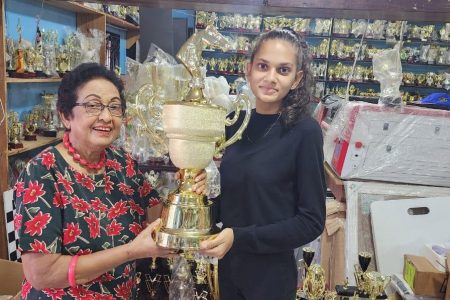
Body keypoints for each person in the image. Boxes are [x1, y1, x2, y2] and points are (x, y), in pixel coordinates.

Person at [13, 62, 206, 299]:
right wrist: (130, 252)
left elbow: (159, 220)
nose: (106, 116)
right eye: (93, 105)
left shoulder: (121, 164)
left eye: (114, 107)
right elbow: (41, 273)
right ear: (65, 116)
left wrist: (186, 191)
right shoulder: (43, 173)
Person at [199, 28, 326, 299]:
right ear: (248, 70)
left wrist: (239, 237)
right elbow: (237, 199)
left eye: (282, 70)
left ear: (296, 79)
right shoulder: (234, 123)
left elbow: (311, 221)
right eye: (262, 66)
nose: (270, 78)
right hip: (229, 268)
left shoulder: (304, 131)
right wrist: (198, 201)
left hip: (270, 277)